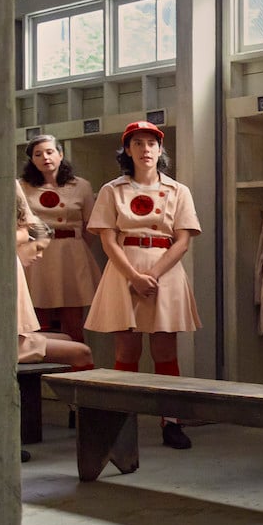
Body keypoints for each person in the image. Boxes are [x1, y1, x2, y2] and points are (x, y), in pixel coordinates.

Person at [85, 121, 201, 450]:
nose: (145, 148)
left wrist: (155, 274)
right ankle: (125, 419)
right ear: (127, 150)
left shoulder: (179, 191)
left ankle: (172, 421)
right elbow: (107, 240)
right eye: (138, 143)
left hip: (166, 268)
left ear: (161, 149)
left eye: (152, 142)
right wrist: (134, 277)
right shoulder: (112, 190)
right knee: (127, 350)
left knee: (165, 349)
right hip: (124, 269)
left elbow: (182, 241)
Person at [15, 188, 95, 462]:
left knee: (68, 338)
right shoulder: (11, 262)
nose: (38, 256)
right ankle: (89, 420)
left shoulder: (15, 263)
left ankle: (83, 412)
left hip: (20, 337)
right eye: (36, 249)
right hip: (13, 343)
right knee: (80, 351)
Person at [18, 135, 103, 343]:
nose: (45, 158)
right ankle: (39, 371)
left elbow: (91, 225)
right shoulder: (21, 186)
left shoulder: (81, 186)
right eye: (38, 154)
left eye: (50, 152)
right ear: (32, 160)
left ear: (61, 154)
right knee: (36, 321)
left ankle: (77, 369)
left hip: (71, 254)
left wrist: (75, 245)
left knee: (73, 322)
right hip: (35, 255)